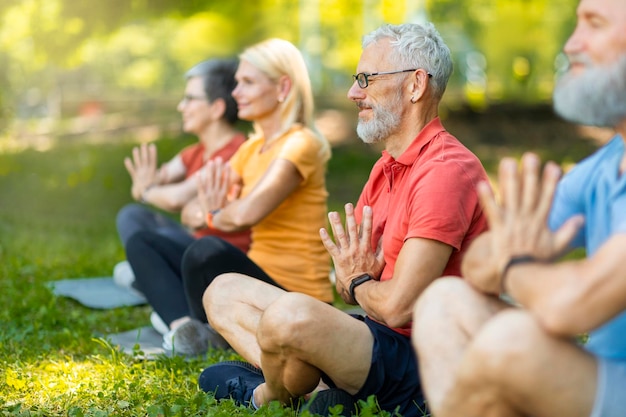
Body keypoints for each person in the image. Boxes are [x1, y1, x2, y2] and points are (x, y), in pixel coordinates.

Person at [198, 23, 488, 417]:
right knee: (222, 291)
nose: (354, 92)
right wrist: (357, 281)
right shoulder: (387, 166)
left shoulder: (445, 172)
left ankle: (267, 395)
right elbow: (348, 285)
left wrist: (359, 281)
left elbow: (398, 306)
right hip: (376, 338)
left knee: (289, 317)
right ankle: (319, 394)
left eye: (366, 79)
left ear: (415, 85)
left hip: (424, 362)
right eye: (357, 80)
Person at [411, 1, 626, 416]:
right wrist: (512, 256)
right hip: (600, 375)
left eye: (593, 25)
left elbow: (573, 306)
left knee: (511, 341)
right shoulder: (603, 166)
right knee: (443, 300)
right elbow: (478, 262)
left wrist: (514, 266)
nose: (571, 44)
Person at [126, 38, 333, 356]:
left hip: (295, 293)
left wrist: (213, 213)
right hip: (254, 278)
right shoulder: (250, 149)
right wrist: (213, 211)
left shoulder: (300, 143)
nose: (236, 93)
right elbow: (188, 211)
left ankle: (211, 329)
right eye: (236, 83)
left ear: (282, 88)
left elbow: (246, 213)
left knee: (205, 249)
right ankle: (187, 330)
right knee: (142, 241)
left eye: (247, 83)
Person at [114, 58, 250, 293]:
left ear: (216, 108)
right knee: (132, 216)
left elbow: (176, 198)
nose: (181, 107)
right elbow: (160, 179)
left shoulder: (235, 151)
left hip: (220, 255)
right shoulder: (194, 152)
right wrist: (148, 185)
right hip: (194, 243)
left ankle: (152, 279)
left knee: (150, 239)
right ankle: (152, 276)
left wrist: (145, 191)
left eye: (189, 99)